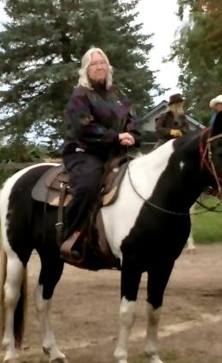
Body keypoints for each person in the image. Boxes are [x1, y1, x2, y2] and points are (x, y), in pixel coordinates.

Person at [61, 47, 141, 259]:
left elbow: (132, 117)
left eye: (102, 62)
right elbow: (84, 127)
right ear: (86, 69)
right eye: (94, 63)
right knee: (88, 184)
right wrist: (116, 137)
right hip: (84, 151)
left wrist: (132, 134)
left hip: (114, 152)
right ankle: (71, 235)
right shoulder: (80, 95)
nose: (99, 67)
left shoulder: (118, 94)